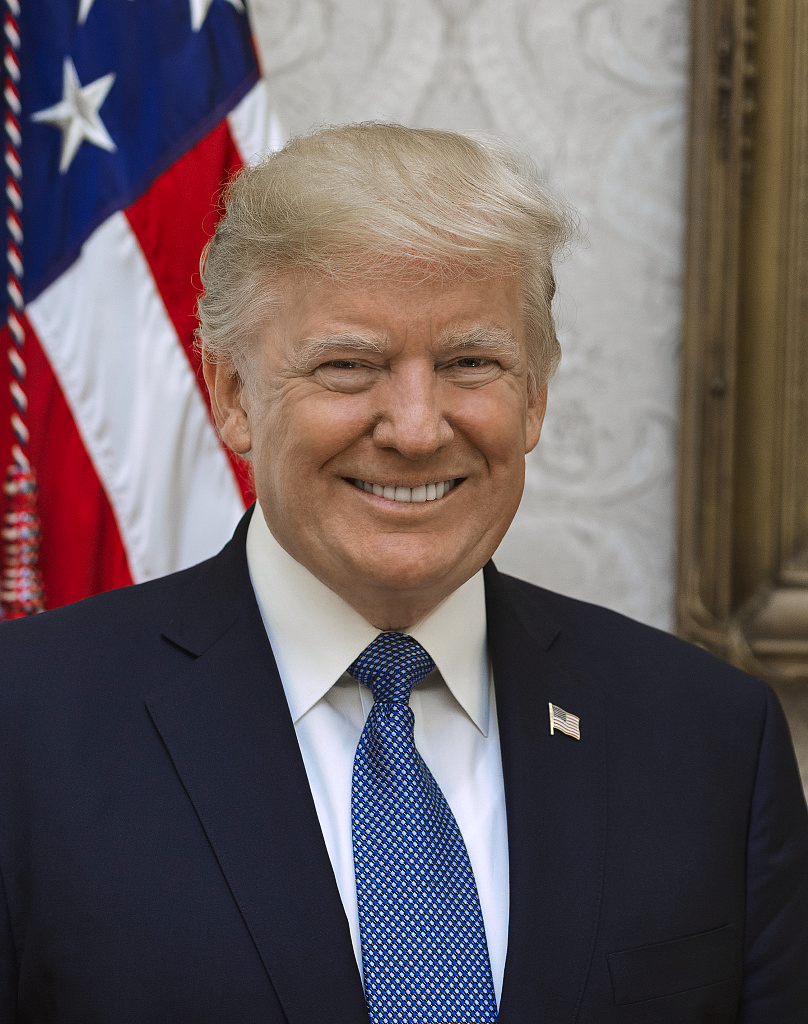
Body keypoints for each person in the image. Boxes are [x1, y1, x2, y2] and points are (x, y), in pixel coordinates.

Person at [0, 123, 806, 1024]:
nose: (417, 427)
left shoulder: (711, 740)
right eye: (349, 367)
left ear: (534, 395)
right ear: (232, 395)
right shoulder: (25, 727)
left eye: (472, 364)